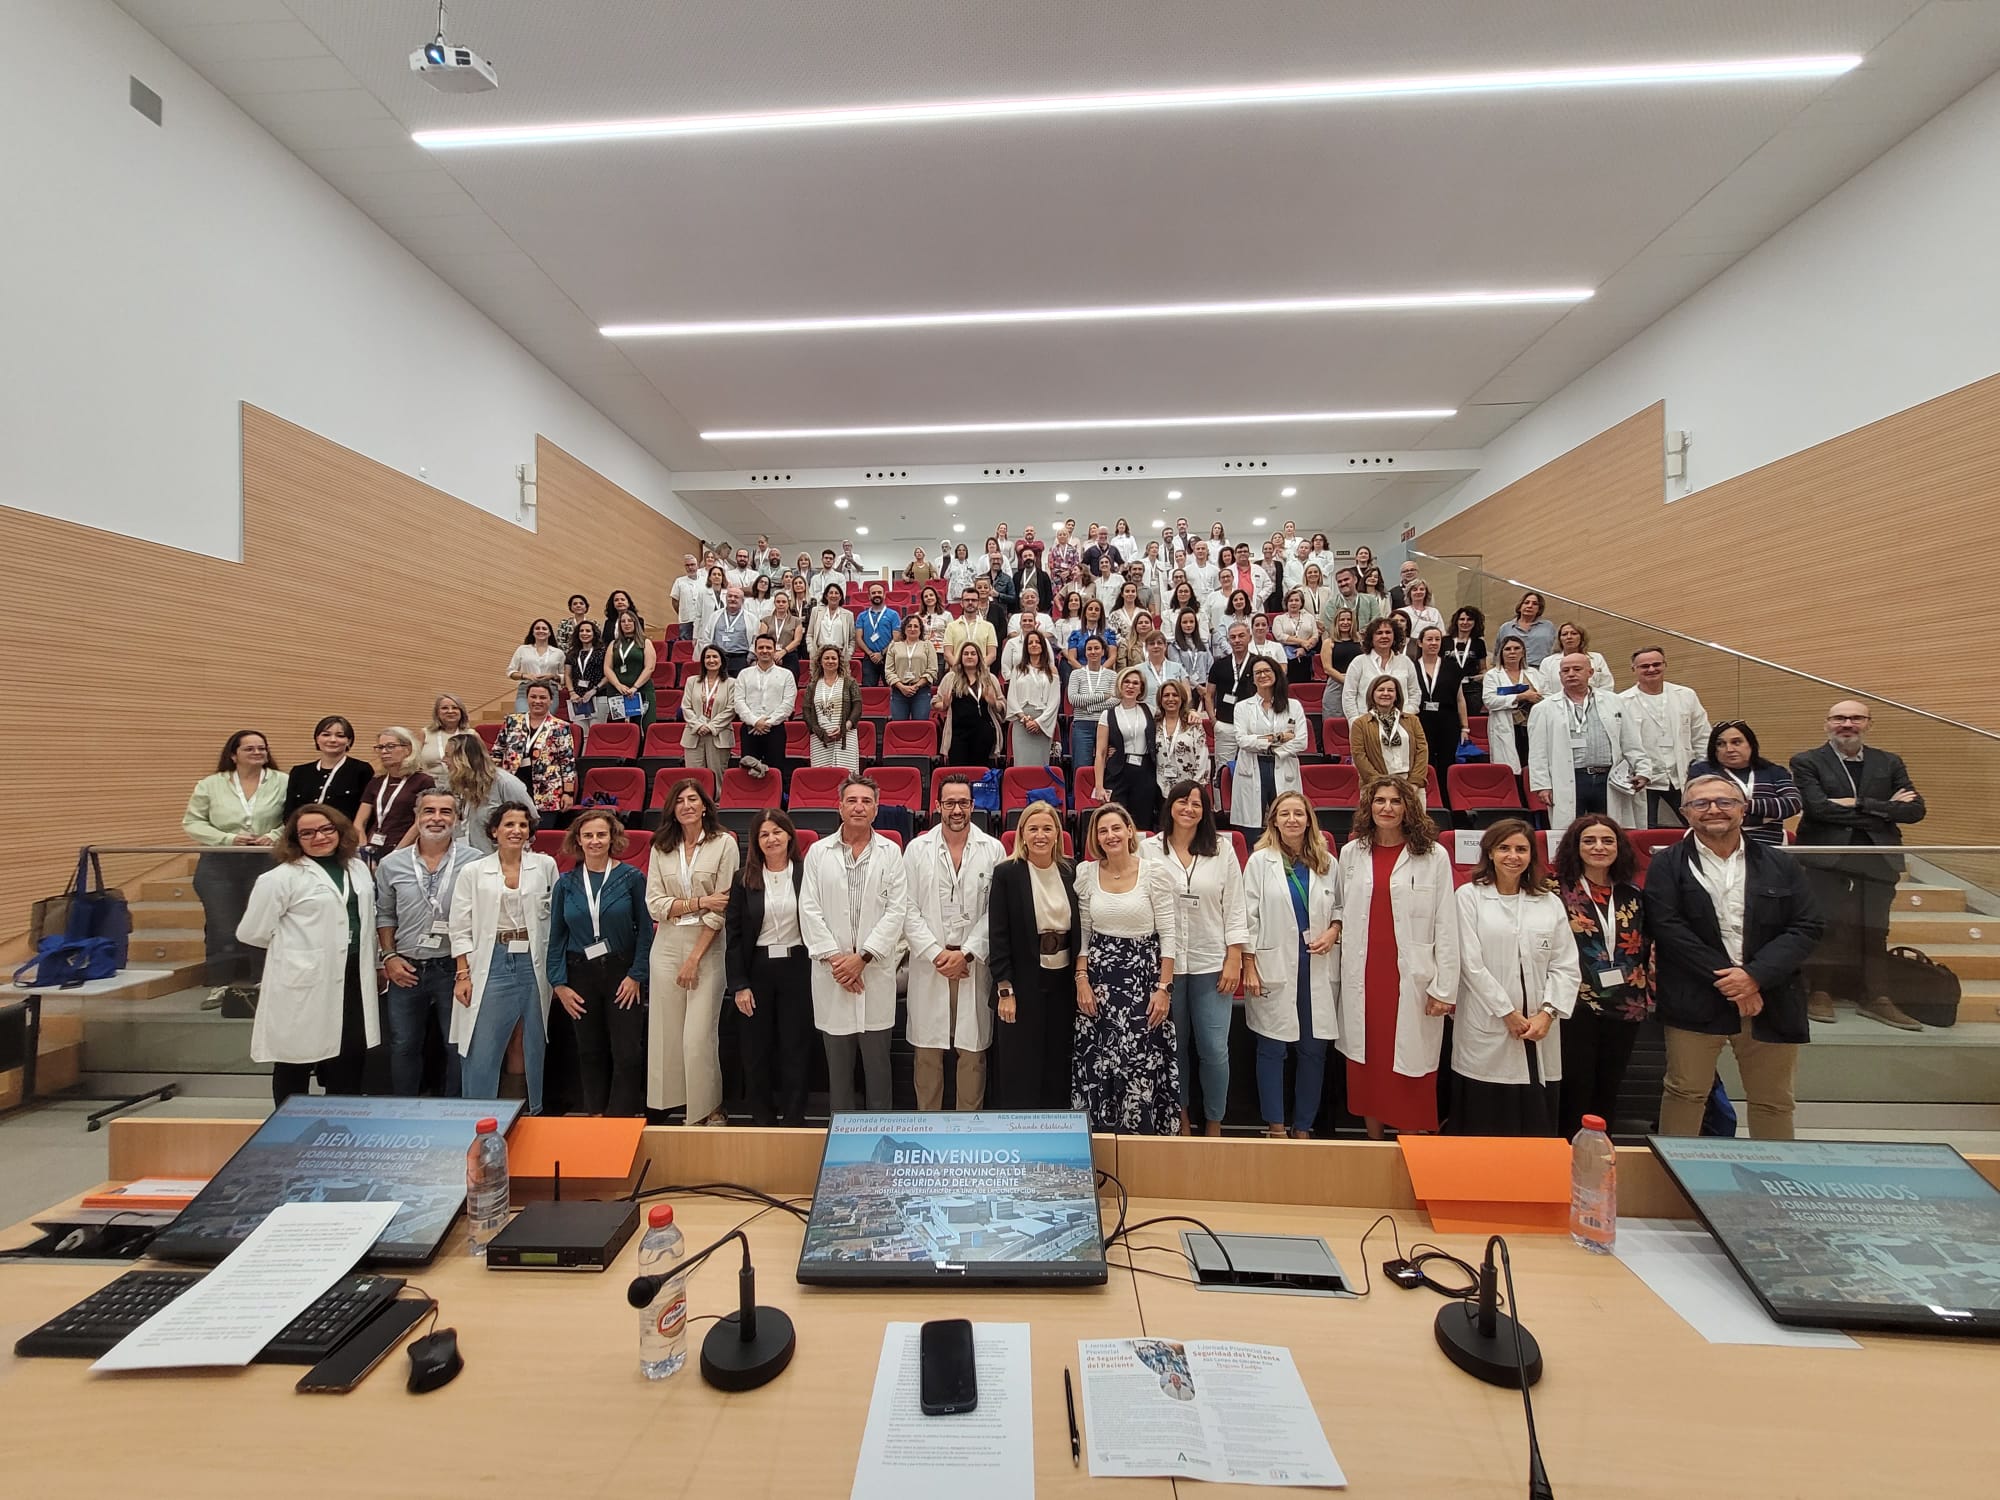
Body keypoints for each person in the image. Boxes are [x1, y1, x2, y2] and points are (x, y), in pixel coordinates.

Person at [1649, 775, 1825, 1139]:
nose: (1713, 809)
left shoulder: (1781, 864)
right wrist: (1734, 980)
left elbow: (1806, 925)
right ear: (1685, 813)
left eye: (1725, 801)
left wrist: (1755, 976)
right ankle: (1674, 1182)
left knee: (1773, 1100)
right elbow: (1668, 928)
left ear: (1743, 809)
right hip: (1695, 995)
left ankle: (1776, 1185)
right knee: (1684, 1092)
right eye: (1700, 803)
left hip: (1770, 997)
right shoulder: (1666, 865)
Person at [1792, 700, 1928, 1030]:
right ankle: (1819, 991)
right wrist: (1885, 808)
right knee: (1824, 925)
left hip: (1878, 858)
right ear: (1827, 723)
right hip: (1827, 856)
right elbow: (1818, 809)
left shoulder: (1889, 762)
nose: (1847, 724)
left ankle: (1876, 997)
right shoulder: (1807, 761)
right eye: (1839, 718)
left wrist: (1858, 803)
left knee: (1875, 929)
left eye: (1856, 718)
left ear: (1869, 724)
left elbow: (1915, 810)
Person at [1337, 776, 1460, 1138]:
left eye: (1394, 801)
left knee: (1412, 1064)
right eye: (1379, 801)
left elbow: (1446, 922)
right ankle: (1375, 1144)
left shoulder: (1433, 855)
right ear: (1368, 807)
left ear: (1408, 807)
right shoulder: (1351, 853)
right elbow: (1342, 908)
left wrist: (1444, 988)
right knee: (1368, 1062)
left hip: (1412, 975)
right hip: (1366, 971)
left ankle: (1415, 1143)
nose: (1386, 808)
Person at [238, 805, 380, 1104]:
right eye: (308, 833)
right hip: (302, 980)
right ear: (295, 839)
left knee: (349, 1052)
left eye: (327, 829)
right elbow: (252, 932)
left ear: (340, 831)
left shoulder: (355, 867)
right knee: (295, 1058)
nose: (320, 837)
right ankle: (288, 1128)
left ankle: (343, 1121)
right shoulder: (280, 878)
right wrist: (300, 953)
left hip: (353, 972)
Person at [1450, 819, 1580, 1136]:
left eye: (1521, 849)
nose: (1513, 856)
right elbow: (1470, 963)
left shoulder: (1548, 902)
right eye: (1504, 848)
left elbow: (1565, 964)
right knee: (1485, 1124)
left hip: (1538, 1026)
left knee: (1535, 1123)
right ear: (1490, 853)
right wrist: (1507, 1013)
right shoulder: (1469, 897)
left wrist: (1547, 1013)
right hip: (1488, 1023)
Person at [800, 776, 909, 1112]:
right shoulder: (819, 852)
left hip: (872, 974)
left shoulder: (892, 853)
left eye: (866, 801)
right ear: (840, 807)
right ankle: (842, 1141)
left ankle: (882, 1139)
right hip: (833, 977)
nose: (859, 806)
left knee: (879, 1072)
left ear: (876, 809)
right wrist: (838, 960)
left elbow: (897, 911)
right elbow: (809, 908)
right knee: (839, 1074)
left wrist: (861, 959)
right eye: (852, 800)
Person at [1073, 803, 1180, 1134]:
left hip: (1143, 982)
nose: (1110, 835)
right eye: (1102, 830)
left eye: (1116, 828)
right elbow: (1084, 934)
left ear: (1130, 831)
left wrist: (1164, 989)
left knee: (1139, 1064)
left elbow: (1169, 934)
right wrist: (1081, 981)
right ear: (1096, 838)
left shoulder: (1154, 873)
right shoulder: (1086, 874)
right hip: (1100, 982)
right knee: (1100, 1064)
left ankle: (1144, 1151)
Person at [1243, 791, 1342, 1138]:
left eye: (1298, 813)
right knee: (1271, 1049)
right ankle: (1276, 1127)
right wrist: (1249, 965)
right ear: (1273, 821)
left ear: (1309, 820)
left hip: (1316, 965)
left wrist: (1334, 931)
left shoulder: (1327, 862)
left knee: (1313, 1051)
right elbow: (1248, 917)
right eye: (1284, 814)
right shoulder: (1259, 862)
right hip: (1274, 966)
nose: (1291, 820)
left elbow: (1341, 910)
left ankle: (1303, 1128)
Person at [539, 810, 651, 1117]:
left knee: (627, 1052)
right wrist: (559, 983)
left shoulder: (631, 878)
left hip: (622, 972)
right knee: (589, 1050)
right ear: (578, 840)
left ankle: (621, 1117)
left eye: (601, 834)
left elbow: (645, 931)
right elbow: (557, 936)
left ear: (612, 838)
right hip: (580, 973)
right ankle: (595, 1114)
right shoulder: (566, 884)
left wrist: (636, 975)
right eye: (588, 835)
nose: (595, 840)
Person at [904, 775, 1005, 1111]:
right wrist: (936, 954)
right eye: (950, 803)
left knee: (972, 1054)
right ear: (938, 807)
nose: (957, 809)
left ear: (973, 806)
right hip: (930, 962)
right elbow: (906, 908)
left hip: (971, 963)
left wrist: (967, 953)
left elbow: (997, 912)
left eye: (964, 802)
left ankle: (968, 1129)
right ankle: (927, 1126)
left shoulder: (993, 849)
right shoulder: (917, 850)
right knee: (927, 1055)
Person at [451, 802, 557, 1111]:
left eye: (523, 825)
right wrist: (462, 973)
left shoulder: (544, 866)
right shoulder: (473, 871)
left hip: (532, 961)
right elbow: (459, 925)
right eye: (509, 825)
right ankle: (478, 1113)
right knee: (483, 1044)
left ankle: (526, 1112)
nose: (517, 831)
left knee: (528, 1041)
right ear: (494, 831)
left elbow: (554, 915)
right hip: (491, 961)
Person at [373, 788, 480, 1097]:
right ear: (416, 817)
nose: (436, 818)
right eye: (429, 811)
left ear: (457, 818)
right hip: (406, 967)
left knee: (457, 1044)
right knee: (404, 1044)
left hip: (456, 968)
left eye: (445, 811)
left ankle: (454, 1111)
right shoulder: (392, 864)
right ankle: (404, 1107)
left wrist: (467, 968)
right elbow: (384, 914)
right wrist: (389, 957)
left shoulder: (475, 863)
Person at [646, 777, 739, 1125]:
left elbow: (722, 907)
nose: (686, 805)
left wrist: (694, 958)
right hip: (666, 944)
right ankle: (677, 1104)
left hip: (707, 946)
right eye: (680, 800)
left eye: (693, 799)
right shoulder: (660, 847)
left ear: (705, 806)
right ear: (672, 808)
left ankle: (707, 1109)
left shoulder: (724, 844)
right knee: (667, 1034)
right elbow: (655, 906)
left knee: (698, 1037)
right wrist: (698, 901)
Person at [1554, 814, 1653, 1138]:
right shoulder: (1554, 891)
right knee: (1575, 1084)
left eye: (1607, 840)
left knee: (1609, 1084)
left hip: (1626, 1004)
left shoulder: (1633, 893)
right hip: (1574, 1004)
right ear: (1575, 846)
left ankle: (1598, 1155)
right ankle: (1567, 1153)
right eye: (1590, 841)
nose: (1599, 847)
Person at [988, 803, 1080, 1108]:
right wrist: (1005, 989)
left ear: (1057, 834)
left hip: (1062, 983)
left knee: (1057, 1065)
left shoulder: (1072, 870)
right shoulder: (1007, 873)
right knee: (1019, 1067)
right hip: (1021, 985)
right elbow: (998, 936)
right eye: (1033, 829)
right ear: (1022, 835)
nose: (1040, 835)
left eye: (1047, 828)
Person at [726, 810, 814, 1127]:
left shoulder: (806, 874)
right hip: (757, 971)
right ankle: (762, 1119)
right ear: (756, 842)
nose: (771, 839)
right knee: (756, 1050)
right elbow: (733, 936)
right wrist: (738, 984)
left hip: (798, 968)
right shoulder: (742, 879)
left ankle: (794, 1119)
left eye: (777, 831)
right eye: (764, 834)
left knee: (795, 1048)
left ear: (789, 835)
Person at [185, 729, 287, 1001]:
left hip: (266, 860)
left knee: (263, 922)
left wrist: (275, 835)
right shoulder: (210, 784)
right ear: (233, 754)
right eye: (250, 749)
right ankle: (220, 984)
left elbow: (297, 815)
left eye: (261, 748)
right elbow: (193, 822)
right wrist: (228, 838)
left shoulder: (283, 781)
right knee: (222, 925)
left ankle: (263, 982)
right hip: (220, 861)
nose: (257, 753)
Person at [1526, 654, 1648, 836]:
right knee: (1571, 835)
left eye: (1577, 669)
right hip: (1571, 778)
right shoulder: (1543, 708)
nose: (1571, 674)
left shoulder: (1614, 701)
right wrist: (1542, 785)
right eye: (1565, 670)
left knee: (1609, 832)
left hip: (1607, 778)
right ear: (1560, 675)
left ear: (1590, 672)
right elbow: (1537, 751)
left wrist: (1643, 769)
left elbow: (1630, 740)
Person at [1618, 646, 1713, 827]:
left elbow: (1701, 735)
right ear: (1634, 669)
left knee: (1697, 824)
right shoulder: (1622, 701)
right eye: (1644, 666)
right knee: (1645, 829)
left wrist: (1703, 769)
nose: (1651, 669)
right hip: (1644, 778)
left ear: (1665, 665)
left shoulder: (1686, 695)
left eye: (1656, 664)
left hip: (1681, 774)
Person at [1688, 720, 1800, 847]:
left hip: (1767, 846)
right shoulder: (1702, 771)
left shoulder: (1774, 771)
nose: (1729, 749)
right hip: (1716, 844)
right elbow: (1697, 809)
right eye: (1720, 744)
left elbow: (1793, 803)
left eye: (1736, 742)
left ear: (1750, 744)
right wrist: (1765, 817)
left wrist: (1736, 806)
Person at [1228, 657, 1307, 835]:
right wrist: (1278, 738)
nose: (1263, 675)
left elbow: (1301, 741)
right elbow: (1242, 741)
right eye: (1258, 673)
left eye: (1267, 671)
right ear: (1253, 678)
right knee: (1251, 828)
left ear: (1276, 674)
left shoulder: (1293, 706)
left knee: (1286, 821)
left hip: (1282, 763)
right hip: (1253, 767)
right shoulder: (1242, 707)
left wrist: (1262, 742)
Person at [492, 682, 577, 818]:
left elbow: (567, 764)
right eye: (533, 697)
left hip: (546, 791)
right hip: (512, 786)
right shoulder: (512, 721)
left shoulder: (560, 727)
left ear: (551, 700)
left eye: (542, 698)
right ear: (527, 699)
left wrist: (568, 793)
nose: (537, 701)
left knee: (541, 834)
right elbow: (497, 752)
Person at [439, 731, 532, 854]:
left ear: (463, 758)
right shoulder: (452, 784)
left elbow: (531, 820)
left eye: (448, 755)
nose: (443, 760)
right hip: (461, 859)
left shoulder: (505, 783)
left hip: (497, 861)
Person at [1349, 674, 1431, 804]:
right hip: (1375, 786)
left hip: (1410, 786)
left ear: (1397, 695)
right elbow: (1359, 756)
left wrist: (1414, 783)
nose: (1385, 693)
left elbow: (1422, 750)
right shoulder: (1360, 724)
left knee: (1414, 824)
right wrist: (1379, 784)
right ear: (1372, 693)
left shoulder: (1412, 720)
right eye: (1381, 690)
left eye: (1391, 690)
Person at [1094, 668, 1160, 827]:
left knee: (1143, 821)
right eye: (1127, 682)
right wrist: (1099, 786)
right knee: (1117, 820)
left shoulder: (1150, 711)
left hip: (1145, 772)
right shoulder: (1107, 714)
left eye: (1135, 683)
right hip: (1118, 772)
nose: (1130, 686)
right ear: (1120, 685)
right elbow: (1101, 753)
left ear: (1141, 688)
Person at [1409, 627, 1467, 804]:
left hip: (1447, 720)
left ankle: (1447, 802)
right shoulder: (1411, 667)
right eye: (1429, 639)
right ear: (1420, 642)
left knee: (1446, 763)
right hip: (1420, 720)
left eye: (1437, 639)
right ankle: (1426, 800)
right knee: (1423, 763)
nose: (1433, 643)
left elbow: (1460, 699)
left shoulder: (1452, 667)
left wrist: (1465, 726)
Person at [355, 727, 426, 859]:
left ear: (408, 749)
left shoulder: (423, 781)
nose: (384, 752)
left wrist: (396, 854)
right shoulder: (377, 781)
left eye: (390, 746)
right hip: (372, 848)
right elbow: (360, 821)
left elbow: (420, 822)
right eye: (380, 747)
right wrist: (363, 850)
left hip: (404, 851)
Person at [283, 715, 371, 821]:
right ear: (317, 739)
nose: (332, 740)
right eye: (326, 735)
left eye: (340, 736)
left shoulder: (361, 770)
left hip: (345, 834)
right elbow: (289, 813)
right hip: (304, 833)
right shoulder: (299, 772)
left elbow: (366, 814)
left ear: (349, 741)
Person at [734, 634, 797, 780]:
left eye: (768, 648)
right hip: (750, 729)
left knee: (775, 772)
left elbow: (787, 704)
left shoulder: (786, 675)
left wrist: (767, 723)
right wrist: (755, 722)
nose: (764, 650)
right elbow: (739, 702)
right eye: (761, 647)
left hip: (775, 730)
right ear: (755, 651)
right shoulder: (744, 674)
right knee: (748, 772)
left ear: (774, 650)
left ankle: (775, 802)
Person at [934, 640, 1006, 766]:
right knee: (959, 771)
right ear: (960, 657)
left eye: (973, 653)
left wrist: (994, 703)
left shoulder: (990, 678)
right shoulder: (950, 678)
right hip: (958, 734)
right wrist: (944, 705)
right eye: (966, 654)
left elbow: (1003, 706)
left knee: (979, 772)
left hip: (983, 733)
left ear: (979, 657)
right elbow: (935, 703)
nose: (969, 656)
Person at [1205, 621, 1259, 780]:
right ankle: (1221, 805)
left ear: (1249, 637)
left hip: (1252, 726)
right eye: (1233, 637)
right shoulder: (1219, 665)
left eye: (1241, 636)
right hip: (1225, 725)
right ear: (1228, 640)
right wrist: (1214, 721)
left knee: (1252, 770)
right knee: (1222, 770)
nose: (1237, 640)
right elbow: (1209, 695)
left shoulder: (1259, 663)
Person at [1482, 636, 1542, 775]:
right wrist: (1521, 696)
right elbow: (1489, 701)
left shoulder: (1534, 673)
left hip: (1531, 724)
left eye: (1516, 648)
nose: (1512, 652)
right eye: (1508, 649)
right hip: (1506, 724)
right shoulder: (1493, 675)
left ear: (1523, 652)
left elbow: (1547, 696)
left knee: (1532, 764)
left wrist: (1536, 697)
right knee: (1510, 767)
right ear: (1501, 653)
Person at [1340, 616, 1419, 721]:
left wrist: (1405, 714)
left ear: (1394, 636)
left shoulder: (1406, 662)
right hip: (1366, 724)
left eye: (1388, 632)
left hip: (1400, 723)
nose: (1384, 636)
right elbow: (1348, 696)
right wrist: (1356, 721)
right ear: (1371, 638)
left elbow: (1415, 693)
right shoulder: (1359, 662)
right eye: (1379, 633)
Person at [1151, 680, 1210, 811]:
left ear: (1182, 698)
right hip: (1161, 787)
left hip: (1189, 788)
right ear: (1160, 700)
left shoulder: (1193, 723)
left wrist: (1196, 787)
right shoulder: (1154, 724)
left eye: (1175, 695)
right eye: (1166, 695)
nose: (1171, 699)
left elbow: (1203, 757)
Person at [679, 644, 736, 780]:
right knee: (694, 778)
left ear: (722, 660)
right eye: (707, 657)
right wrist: (699, 726)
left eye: (715, 657)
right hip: (694, 734)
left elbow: (731, 709)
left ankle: (716, 801)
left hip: (719, 735)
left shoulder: (731, 683)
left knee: (717, 777)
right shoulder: (691, 681)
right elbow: (686, 707)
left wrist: (710, 727)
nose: (711, 660)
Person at [1006, 628, 1061, 767]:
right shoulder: (1018, 669)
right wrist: (1023, 718)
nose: (1034, 645)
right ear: (1026, 647)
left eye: (1037, 642)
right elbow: (1011, 697)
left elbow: (1055, 701)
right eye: (1030, 642)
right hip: (1022, 722)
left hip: (1043, 723)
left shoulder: (1052, 670)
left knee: (1040, 765)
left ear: (1043, 646)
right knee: (1021, 764)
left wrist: (1039, 723)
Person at [805, 645, 862, 774]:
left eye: (833, 658)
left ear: (839, 661)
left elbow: (857, 707)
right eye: (826, 658)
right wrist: (819, 731)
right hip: (820, 739)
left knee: (848, 777)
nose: (830, 661)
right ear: (820, 661)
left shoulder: (849, 683)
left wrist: (845, 727)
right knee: (822, 779)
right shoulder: (812, 686)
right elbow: (806, 711)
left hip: (846, 737)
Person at [603, 609, 658, 731]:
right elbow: (607, 668)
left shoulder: (645, 642)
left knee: (644, 728)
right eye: (623, 621)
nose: (626, 624)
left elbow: (650, 667)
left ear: (635, 623)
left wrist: (635, 687)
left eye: (630, 621)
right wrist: (618, 685)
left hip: (641, 691)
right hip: (618, 692)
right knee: (620, 731)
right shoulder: (614, 644)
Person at [1533, 621, 1612, 697]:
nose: (1569, 637)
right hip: (1558, 707)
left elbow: (1606, 685)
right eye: (1564, 634)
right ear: (1560, 639)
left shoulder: (1597, 658)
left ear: (1582, 637)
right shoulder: (1548, 662)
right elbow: (1544, 690)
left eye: (1574, 633)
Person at [885, 612, 938, 722]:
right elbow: (889, 671)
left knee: (920, 726)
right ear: (904, 629)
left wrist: (917, 686)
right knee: (899, 727)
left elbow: (932, 670)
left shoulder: (927, 645)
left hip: (921, 692)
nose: (912, 629)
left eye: (916, 626)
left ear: (920, 629)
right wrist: (901, 687)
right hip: (899, 691)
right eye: (909, 626)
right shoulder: (894, 646)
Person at [508, 619, 566, 714]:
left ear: (550, 633)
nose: (541, 631)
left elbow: (565, 675)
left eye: (544, 628)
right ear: (533, 632)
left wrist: (552, 676)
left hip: (550, 689)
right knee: (522, 717)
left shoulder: (558, 653)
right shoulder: (522, 649)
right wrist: (525, 676)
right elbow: (511, 672)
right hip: (526, 689)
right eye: (537, 628)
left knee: (546, 721)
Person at [1493, 590, 1557, 668]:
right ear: (1520, 606)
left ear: (1539, 609)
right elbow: (1497, 653)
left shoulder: (1548, 627)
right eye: (1526, 602)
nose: (1530, 606)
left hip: (1541, 669)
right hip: (1512, 670)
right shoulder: (1506, 628)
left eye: (1535, 604)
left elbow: (1556, 650)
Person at [854, 582, 901, 687]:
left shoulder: (893, 615)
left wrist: (881, 653)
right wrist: (871, 654)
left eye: (879, 592)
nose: (876, 594)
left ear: (884, 595)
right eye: (873, 593)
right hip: (869, 658)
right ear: (869, 596)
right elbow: (858, 638)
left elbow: (896, 638)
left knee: (891, 688)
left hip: (889, 657)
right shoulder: (862, 616)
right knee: (869, 690)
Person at [702, 586, 754, 678]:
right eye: (730, 596)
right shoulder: (715, 616)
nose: (732, 599)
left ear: (742, 601)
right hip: (718, 658)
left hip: (740, 658)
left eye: (736, 597)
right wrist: (710, 655)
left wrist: (749, 657)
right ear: (725, 599)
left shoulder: (751, 618)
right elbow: (706, 636)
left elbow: (755, 639)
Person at [1445, 607, 1487, 716]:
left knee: (1471, 719)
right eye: (1462, 619)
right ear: (1456, 621)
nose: (1465, 622)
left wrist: (1482, 676)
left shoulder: (1479, 643)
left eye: (1469, 619)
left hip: (1472, 689)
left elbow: (1483, 668)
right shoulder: (1445, 641)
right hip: (1449, 687)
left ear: (1475, 622)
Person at [564, 620, 606, 727]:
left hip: (598, 696)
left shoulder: (602, 652)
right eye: (581, 631)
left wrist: (594, 690)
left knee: (596, 732)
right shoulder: (572, 653)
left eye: (588, 631)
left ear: (594, 633)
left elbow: (608, 676)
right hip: (577, 699)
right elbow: (567, 675)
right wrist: (572, 693)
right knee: (581, 734)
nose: (584, 633)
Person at [418, 694, 472, 779]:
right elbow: (413, 761)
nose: (450, 711)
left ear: (461, 712)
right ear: (437, 713)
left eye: (455, 708)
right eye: (444, 708)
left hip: (463, 785)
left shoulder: (471, 734)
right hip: (429, 785)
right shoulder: (425, 733)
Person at [1065, 596, 1117, 671]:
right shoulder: (1075, 635)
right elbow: (1071, 658)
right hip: (1081, 673)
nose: (1093, 612)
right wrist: (1084, 671)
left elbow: (1112, 656)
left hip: (1104, 673)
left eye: (1097, 610)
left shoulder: (1109, 634)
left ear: (1100, 614)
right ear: (1085, 613)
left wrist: (1101, 671)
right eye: (1090, 609)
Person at [670, 555, 708, 640]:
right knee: (685, 644)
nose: (690, 567)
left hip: (702, 619)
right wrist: (682, 612)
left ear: (697, 565)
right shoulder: (679, 581)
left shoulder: (705, 581)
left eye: (692, 564)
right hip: (686, 621)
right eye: (687, 565)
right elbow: (675, 601)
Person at [1396, 578, 1444, 643]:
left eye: (1421, 589)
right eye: (1415, 590)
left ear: (1426, 592)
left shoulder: (1434, 612)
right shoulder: (1401, 612)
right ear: (1409, 593)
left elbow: (1442, 633)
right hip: (1408, 647)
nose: (1418, 592)